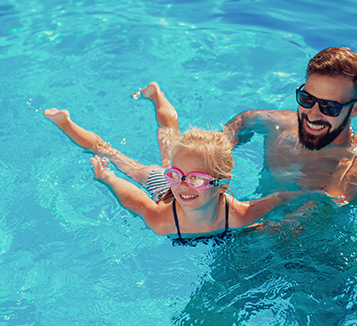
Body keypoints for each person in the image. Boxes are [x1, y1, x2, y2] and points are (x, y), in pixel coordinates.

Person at [44, 83, 301, 243]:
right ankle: (65, 122)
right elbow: (135, 200)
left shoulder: (241, 214)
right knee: (115, 156)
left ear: (222, 185)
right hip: (162, 183)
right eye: (181, 175)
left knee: (170, 140)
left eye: (197, 180)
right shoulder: (163, 220)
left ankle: (156, 93)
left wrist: (318, 198)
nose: (186, 189)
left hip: (175, 173)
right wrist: (108, 178)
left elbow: (279, 199)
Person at [224, 47, 357, 205]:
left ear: (355, 109)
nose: (312, 115)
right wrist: (221, 153)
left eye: (329, 107)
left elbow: (306, 225)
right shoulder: (279, 126)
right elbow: (244, 119)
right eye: (307, 99)